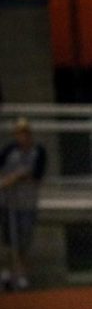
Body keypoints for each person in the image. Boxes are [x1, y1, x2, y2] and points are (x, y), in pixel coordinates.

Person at [0, 118, 47, 291]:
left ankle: (20, 275)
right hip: (8, 202)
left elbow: (36, 175)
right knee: (8, 241)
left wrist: (16, 177)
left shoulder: (38, 151)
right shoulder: (9, 150)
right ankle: (7, 273)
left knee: (23, 241)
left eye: (25, 132)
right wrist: (10, 179)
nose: (22, 136)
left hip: (27, 203)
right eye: (19, 133)